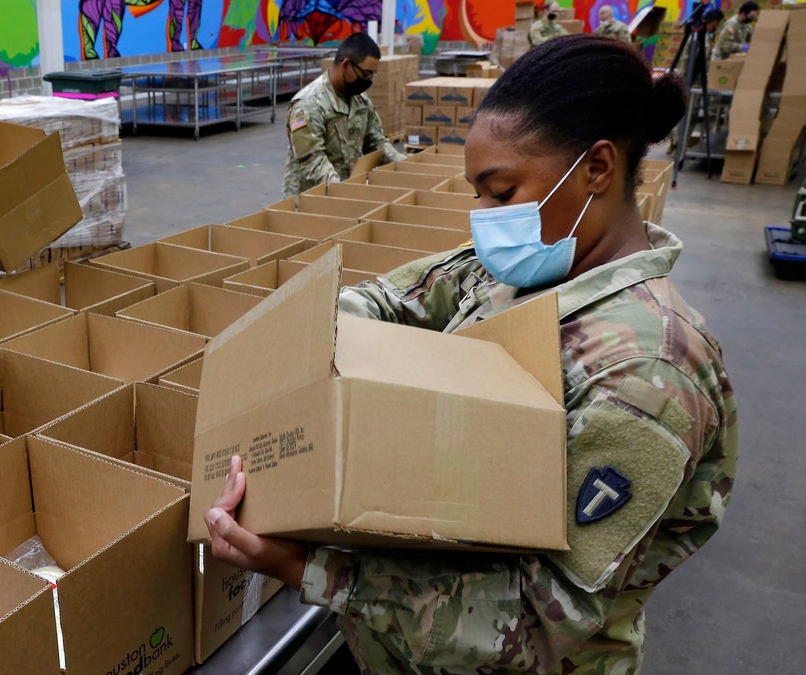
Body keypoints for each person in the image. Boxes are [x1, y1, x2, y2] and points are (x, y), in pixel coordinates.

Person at [205, 34, 737, 674]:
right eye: (477, 192)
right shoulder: (530, 268)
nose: (481, 218)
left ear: (597, 168)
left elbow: (546, 622)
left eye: (501, 191)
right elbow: (389, 298)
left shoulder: (645, 375)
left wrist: (305, 567)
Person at [282, 32, 406, 197]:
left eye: (373, 75)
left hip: (344, 195)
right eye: (366, 74)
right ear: (346, 64)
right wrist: (343, 193)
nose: (369, 80)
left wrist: (406, 165)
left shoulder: (359, 100)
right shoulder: (308, 105)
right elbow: (313, 161)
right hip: (309, 200)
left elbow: (376, 142)